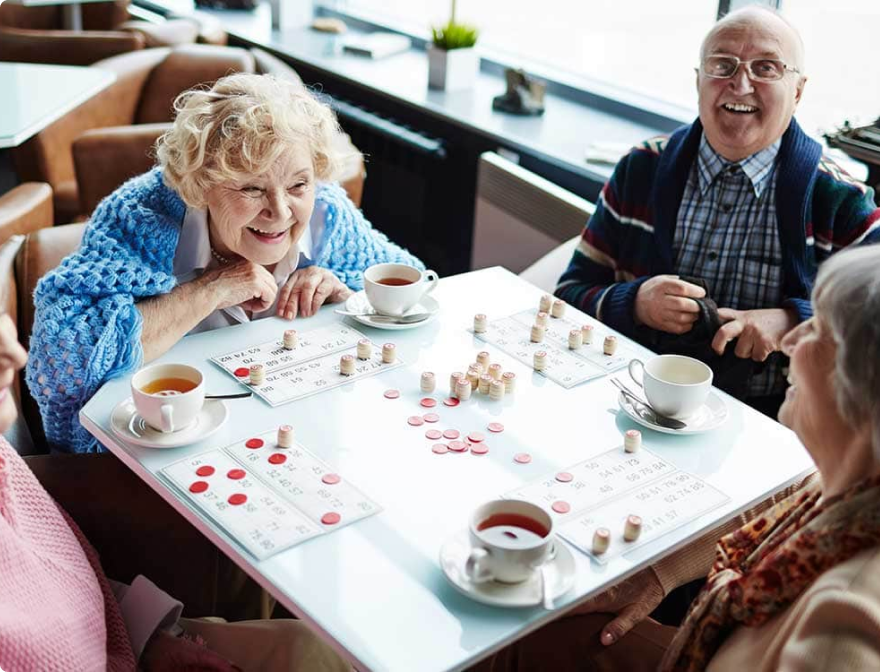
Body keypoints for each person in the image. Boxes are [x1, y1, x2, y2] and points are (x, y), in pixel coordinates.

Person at [473, 243, 880, 671]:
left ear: (864, 389)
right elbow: (784, 495)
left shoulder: (845, 627)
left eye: (817, 330)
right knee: (534, 628)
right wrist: (656, 576)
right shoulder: (848, 480)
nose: (793, 338)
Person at [26, 73, 423, 453]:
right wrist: (210, 290)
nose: (281, 212)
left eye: (298, 184)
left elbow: (412, 297)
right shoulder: (138, 217)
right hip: (162, 450)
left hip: (293, 431)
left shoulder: (326, 214)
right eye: (252, 188)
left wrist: (347, 298)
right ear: (201, 185)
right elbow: (64, 358)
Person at [555, 6, 880, 417]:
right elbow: (568, 295)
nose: (740, 84)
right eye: (722, 65)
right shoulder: (642, 167)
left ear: (798, 91)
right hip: (632, 401)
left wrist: (793, 323)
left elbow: (873, 337)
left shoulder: (841, 201)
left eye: (766, 68)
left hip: (771, 423)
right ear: (698, 81)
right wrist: (635, 303)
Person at [0, 312, 351, 671]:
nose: (16, 355)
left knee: (308, 647)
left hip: (120, 640)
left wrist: (149, 638)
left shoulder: (5, 464)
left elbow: (60, 578)